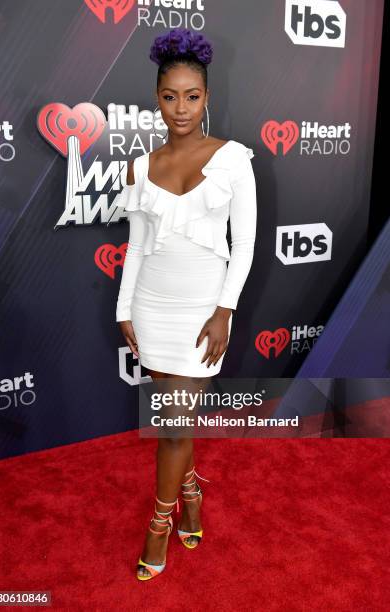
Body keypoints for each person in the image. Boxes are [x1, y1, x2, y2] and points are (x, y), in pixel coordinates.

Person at [115, 27, 257, 581]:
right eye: (170, 96)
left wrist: (225, 311)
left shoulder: (232, 161)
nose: (180, 108)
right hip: (153, 306)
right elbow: (137, 247)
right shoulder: (140, 167)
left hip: (203, 313)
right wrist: (123, 308)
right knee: (176, 422)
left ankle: (158, 525)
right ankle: (191, 494)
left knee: (173, 426)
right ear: (156, 98)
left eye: (191, 96)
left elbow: (243, 245)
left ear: (207, 98)